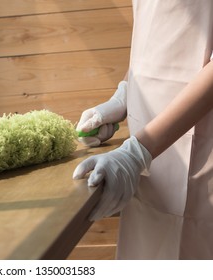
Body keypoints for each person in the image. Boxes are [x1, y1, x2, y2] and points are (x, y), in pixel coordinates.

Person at [73, 0, 213, 259]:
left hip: (201, 162)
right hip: (147, 166)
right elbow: (156, 34)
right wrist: (125, 93)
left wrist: (138, 152)